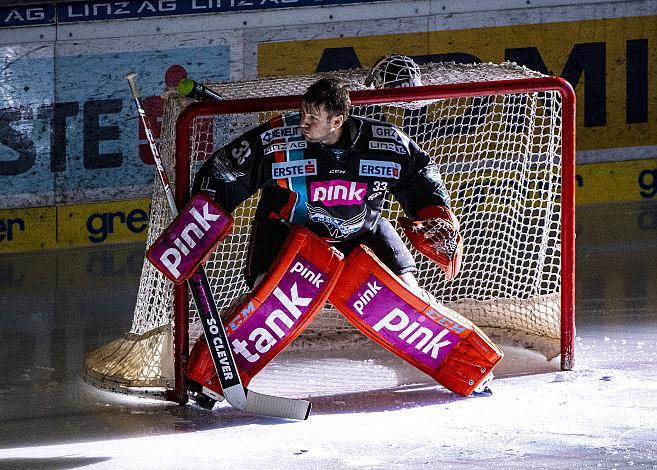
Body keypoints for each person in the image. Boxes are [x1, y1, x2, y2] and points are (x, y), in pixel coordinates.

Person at [186, 76, 466, 407]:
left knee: (410, 296)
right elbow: (224, 170)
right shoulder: (280, 138)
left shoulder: (385, 143)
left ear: (337, 120)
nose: (302, 122)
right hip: (287, 231)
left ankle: (465, 362)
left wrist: (436, 215)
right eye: (302, 113)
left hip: (362, 231)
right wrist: (201, 217)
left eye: (312, 118)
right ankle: (208, 376)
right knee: (266, 303)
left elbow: (422, 176)